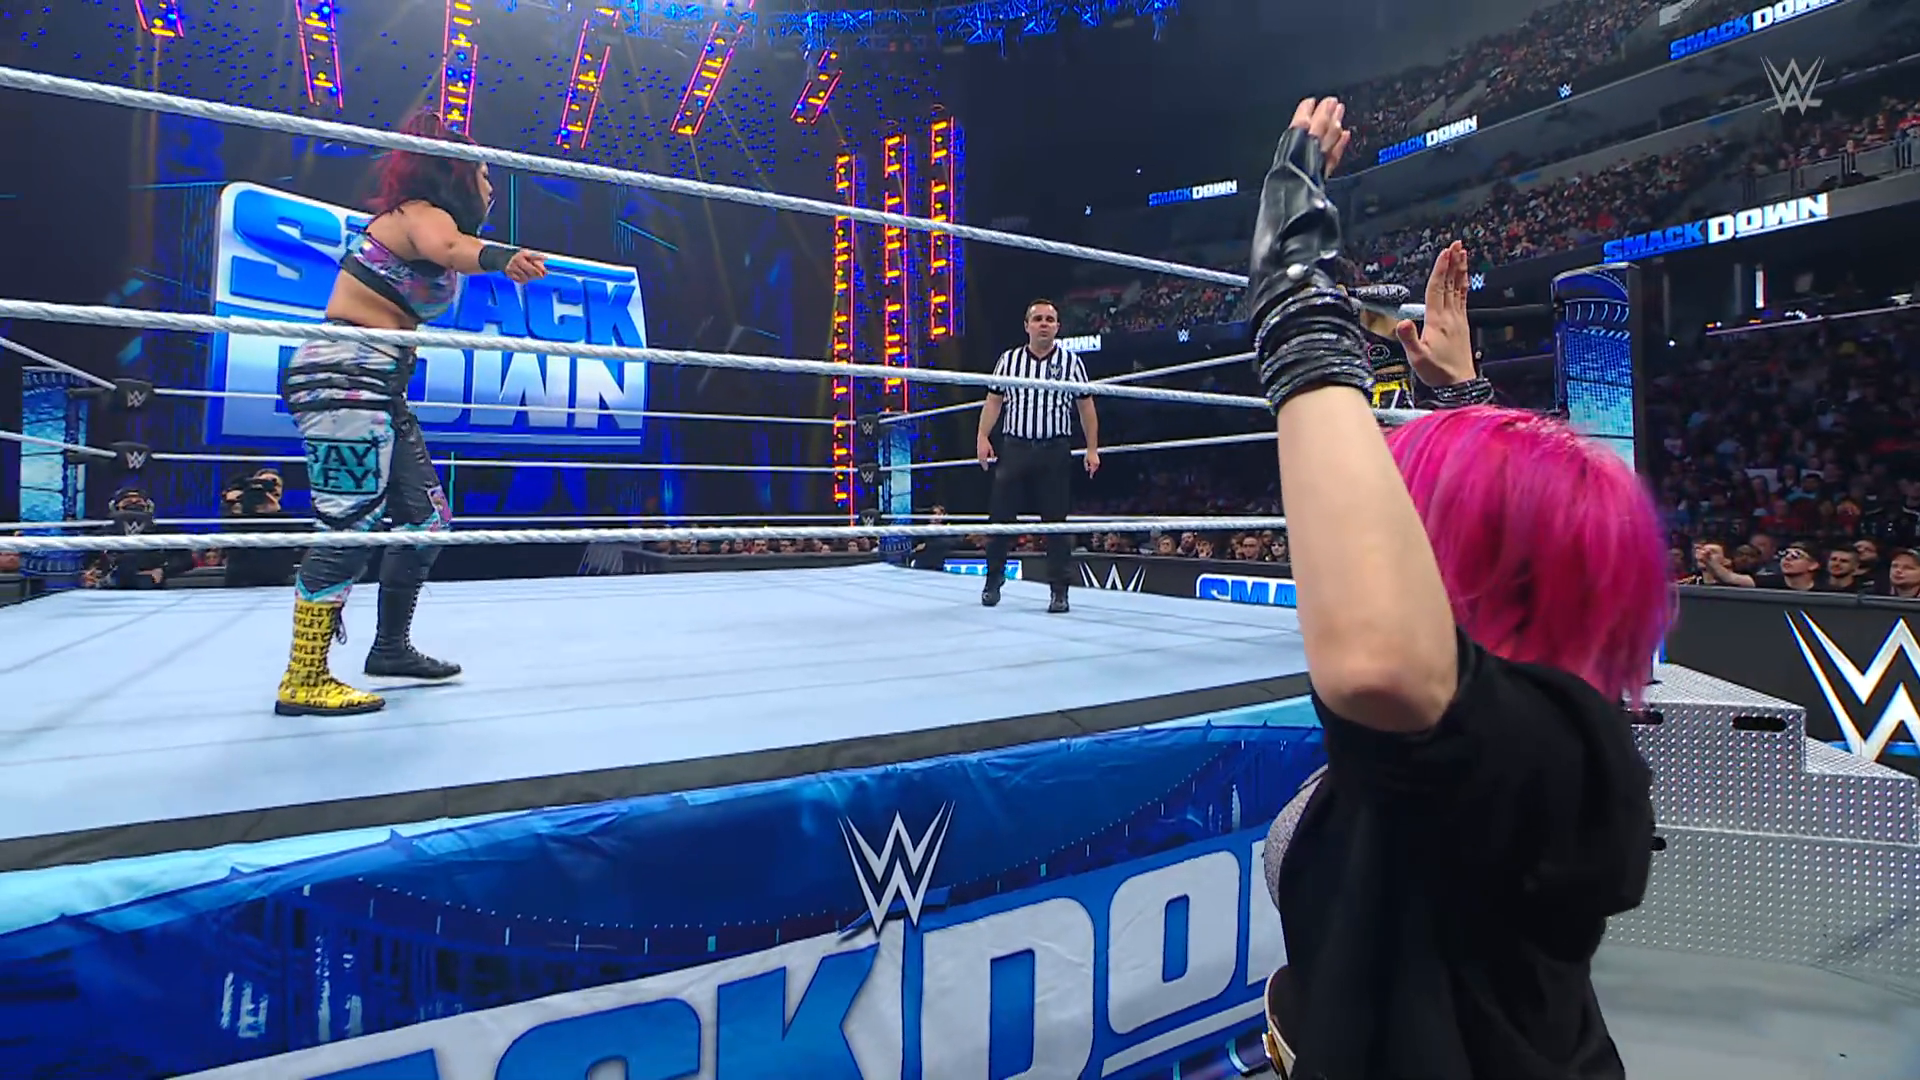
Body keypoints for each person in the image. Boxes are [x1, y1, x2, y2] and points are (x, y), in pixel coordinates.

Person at [1248, 98, 1671, 1079]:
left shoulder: (1548, 754)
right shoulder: (1531, 722)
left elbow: (1380, 658)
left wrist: (1297, 301)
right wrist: (1458, 397)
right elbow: (1512, 550)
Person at [273, 109, 549, 717]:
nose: (491, 186)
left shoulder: (431, 220)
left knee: (426, 519)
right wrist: (501, 257)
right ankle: (303, 676)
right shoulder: (420, 214)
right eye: (483, 173)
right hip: (344, 378)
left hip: (379, 383)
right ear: (454, 172)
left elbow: (447, 251)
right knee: (349, 525)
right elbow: (447, 247)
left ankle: (390, 648)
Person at [974, 299, 1101, 613]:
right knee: (1000, 518)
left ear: (1057, 327)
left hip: (1054, 449)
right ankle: (993, 581)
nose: (1044, 324)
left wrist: (1092, 447)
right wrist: (982, 436)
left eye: (1050, 319)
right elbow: (994, 400)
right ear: (1027, 325)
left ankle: (1059, 591)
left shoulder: (1071, 362)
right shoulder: (1009, 360)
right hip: (1015, 447)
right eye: (1038, 319)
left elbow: (1086, 406)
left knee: (1056, 522)